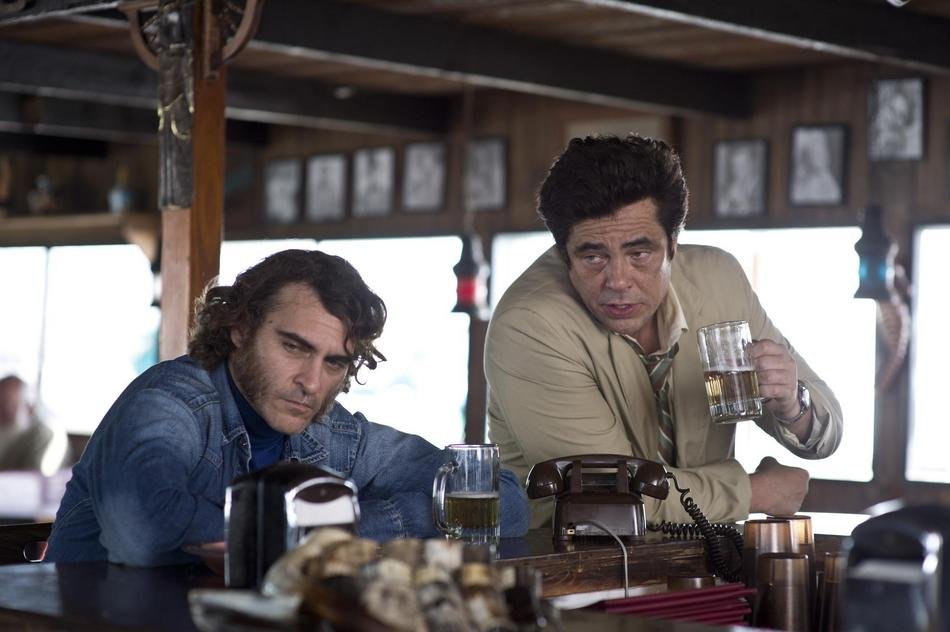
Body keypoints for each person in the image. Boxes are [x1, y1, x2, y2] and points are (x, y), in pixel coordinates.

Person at [46, 249, 529, 566]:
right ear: (240, 328)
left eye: (334, 362)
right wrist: (339, 528)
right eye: (294, 347)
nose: (311, 383)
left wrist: (348, 525)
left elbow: (505, 502)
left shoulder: (330, 433)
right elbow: (143, 532)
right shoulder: (169, 402)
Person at [485, 135, 842, 528]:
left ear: (674, 243)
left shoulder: (718, 280)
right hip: (571, 556)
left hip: (704, 554)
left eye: (639, 253)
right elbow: (605, 497)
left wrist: (792, 405)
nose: (618, 280)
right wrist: (754, 492)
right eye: (593, 257)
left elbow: (826, 433)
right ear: (564, 255)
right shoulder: (530, 324)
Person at [0, 375, 69, 473]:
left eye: (11, 407)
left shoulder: (45, 435)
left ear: (29, 409)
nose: (3, 414)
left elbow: (33, 476)